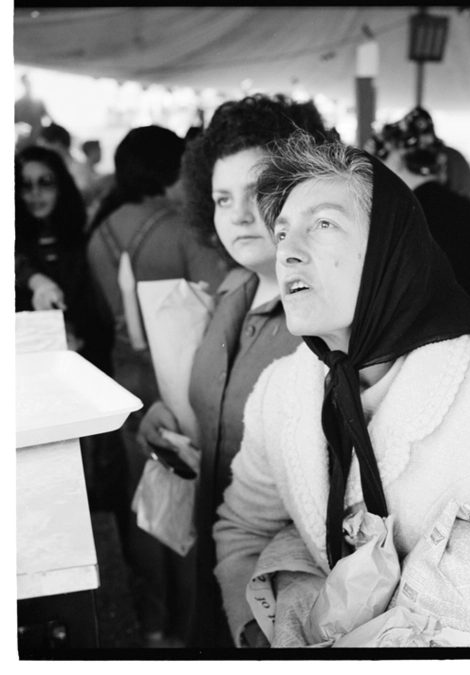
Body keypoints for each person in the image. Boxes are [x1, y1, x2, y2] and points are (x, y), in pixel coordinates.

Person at [214, 132, 470, 648]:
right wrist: (258, 638)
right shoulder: (281, 390)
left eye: (322, 225)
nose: (287, 252)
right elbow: (242, 529)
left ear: (388, 252)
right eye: (284, 232)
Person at [136, 95, 331, 648]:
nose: (239, 216)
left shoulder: (328, 320)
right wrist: (165, 418)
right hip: (213, 569)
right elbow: (207, 411)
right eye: (223, 198)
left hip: (282, 600)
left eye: (259, 194)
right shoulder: (227, 295)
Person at [87, 124, 228, 647]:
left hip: (126, 379)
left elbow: (101, 314)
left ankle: (150, 621)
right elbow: (218, 303)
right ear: (171, 170)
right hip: (177, 383)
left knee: (144, 500)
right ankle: (188, 626)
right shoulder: (182, 228)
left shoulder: (101, 230)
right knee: (185, 498)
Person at [374, 115, 470, 346]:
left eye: (384, 154)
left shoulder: (404, 211)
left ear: (401, 155)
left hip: (427, 341)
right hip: (469, 334)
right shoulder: (461, 206)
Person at [14, 145, 112, 372]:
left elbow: (93, 308)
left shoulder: (79, 239)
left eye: (45, 182)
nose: (35, 193)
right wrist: (37, 281)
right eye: (25, 185)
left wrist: (73, 332)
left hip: (80, 362)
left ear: (60, 185)